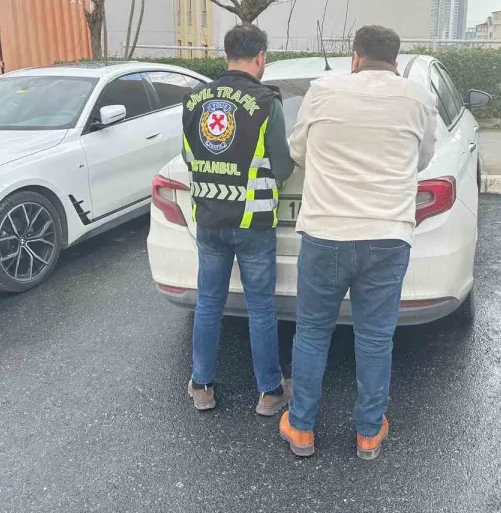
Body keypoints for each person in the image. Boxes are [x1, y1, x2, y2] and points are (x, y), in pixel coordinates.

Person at [279, 25, 437, 460]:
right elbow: (423, 158)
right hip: (387, 235)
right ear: (396, 62)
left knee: (313, 332)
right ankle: (368, 432)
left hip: (326, 233)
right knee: (374, 337)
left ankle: (301, 428)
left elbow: (298, 151)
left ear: (355, 57)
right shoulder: (417, 97)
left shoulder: (322, 91)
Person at [182, 23, 295, 416]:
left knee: (208, 303)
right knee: (260, 308)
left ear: (227, 54)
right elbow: (282, 167)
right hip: (254, 223)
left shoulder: (193, 101)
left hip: (209, 219)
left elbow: (189, 157)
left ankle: (202, 386)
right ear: (261, 57)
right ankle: (269, 392)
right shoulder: (266, 102)